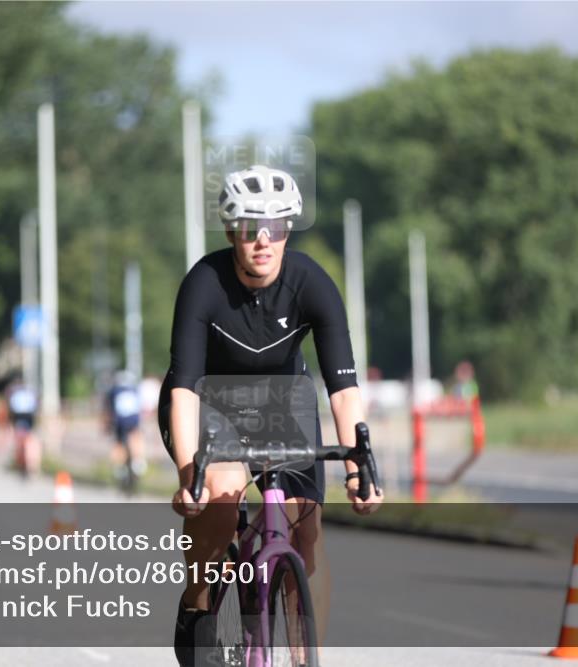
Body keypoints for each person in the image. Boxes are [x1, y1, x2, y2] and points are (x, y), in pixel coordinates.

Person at [159, 165, 383, 665]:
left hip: (283, 401)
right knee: (220, 498)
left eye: (276, 228)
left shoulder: (312, 283)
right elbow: (184, 391)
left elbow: (343, 391)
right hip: (208, 401)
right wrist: (189, 476)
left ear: (287, 232)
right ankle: (197, 604)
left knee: (307, 531)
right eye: (249, 228)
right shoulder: (204, 283)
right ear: (229, 232)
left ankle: (306, 658)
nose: (263, 240)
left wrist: (357, 470)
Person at [104, 370, 147, 484]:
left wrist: (107, 426)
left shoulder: (113, 391)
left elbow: (109, 410)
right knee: (136, 438)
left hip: (119, 422)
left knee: (118, 443)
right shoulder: (135, 389)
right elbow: (141, 408)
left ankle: (119, 468)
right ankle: (138, 462)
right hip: (133, 420)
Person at [6, 376, 40, 476]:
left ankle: (24, 461)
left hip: (20, 417)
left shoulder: (16, 394)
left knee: (21, 440)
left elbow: (12, 410)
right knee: (27, 439)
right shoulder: (29, 393)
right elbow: (35, 407)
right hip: (28, 417)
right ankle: (28, 462)